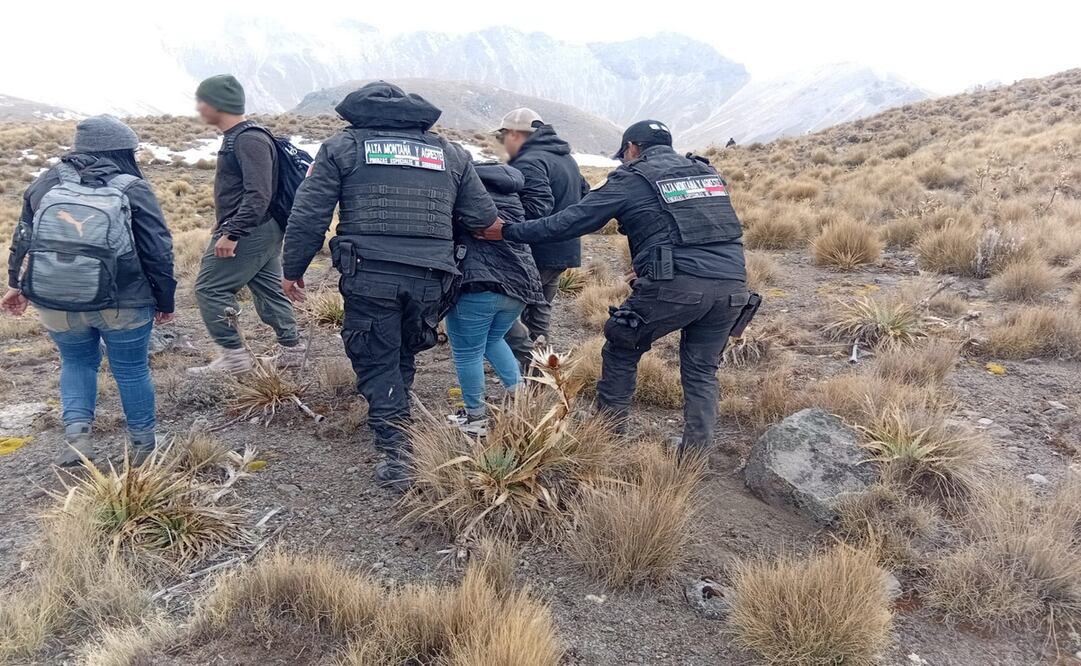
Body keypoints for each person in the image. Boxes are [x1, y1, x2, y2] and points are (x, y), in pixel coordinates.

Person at [477, 120, 752, 457]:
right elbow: (701, 227)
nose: (624, 160)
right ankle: (695, 454)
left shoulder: (633, 177)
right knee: (701, 369)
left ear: (633, 148)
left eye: (624, 154)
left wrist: (508, 231)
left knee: (622, 347)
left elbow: (572, 220)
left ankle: (606, 438)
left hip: (675, 286)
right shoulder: (706, 174)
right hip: (733, 286)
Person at [279, 82, 499, 491]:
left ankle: (396, 447)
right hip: (432, 275)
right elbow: (482, 217)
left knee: (377, 353)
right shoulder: (450, 153)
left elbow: (309, 214)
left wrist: (293, 269)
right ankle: (395, 410)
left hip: (371, 273)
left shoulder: (342, 147)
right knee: (404, 346)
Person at [1, 115, 176, 466]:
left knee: (76, 361)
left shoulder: (43, 183)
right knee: (131, 369)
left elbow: (22, 238)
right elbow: (158, 248)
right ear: (119, 150)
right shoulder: (131, 186)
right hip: (123, 301)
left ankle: (78, 440)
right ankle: (143, 446)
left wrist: (15, 285)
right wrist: (165, 298)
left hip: (55, 299)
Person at [189, 74, 302, 375]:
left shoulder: (248, 138)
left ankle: (233, 358)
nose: (198, 107)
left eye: (202, 100)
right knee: (268, 288)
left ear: (217, 104)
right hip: (262, 229)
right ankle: (292, 351)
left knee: (209, 289)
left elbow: (258, 193)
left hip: (251, 229)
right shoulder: (244, 136)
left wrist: (232, 232)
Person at [446, 162, 545, 435]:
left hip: (478, 285)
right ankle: (522, 401)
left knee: (468, 352)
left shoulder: (463, 195)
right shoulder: (513, 197)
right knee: (493, 340)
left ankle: (475, 419)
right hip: (521, 287)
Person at [495, 108, 589, 367]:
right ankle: (543, 366)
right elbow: (585, 192)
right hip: (563, 249)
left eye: (503, 136)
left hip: (536, 251)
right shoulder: (565, 157)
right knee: (539, 309)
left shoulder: (529, 160)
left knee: (505, 310)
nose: (503, 143)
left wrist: (501, 224)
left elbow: (537, 208)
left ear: (515, 133)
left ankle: (530, 367)